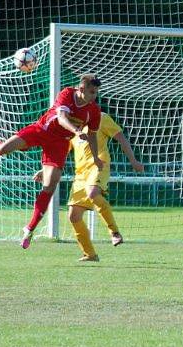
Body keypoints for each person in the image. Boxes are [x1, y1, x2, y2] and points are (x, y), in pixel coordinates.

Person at [0, 74, 103, 249]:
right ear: (81, 89)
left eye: (96, 93)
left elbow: (92, 135)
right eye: (91, 92)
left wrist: (96, 157)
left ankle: (29, 229)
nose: (94, 96)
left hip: (59, 144)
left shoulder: (93, 110)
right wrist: (75, 130)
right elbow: (61, 119)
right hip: (41, 130)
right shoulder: (67, 94)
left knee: (50, 185)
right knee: (5, 148)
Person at [35, 112, 145, 261]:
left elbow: (121, 138)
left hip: (99, 165)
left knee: (92, 192)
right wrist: (45, 170)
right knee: (74, 216)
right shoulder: (70, 127)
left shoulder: (101, 118)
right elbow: (62, 152)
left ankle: (114, 232)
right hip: (80, 174)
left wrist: (133, 161)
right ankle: (90, 254)